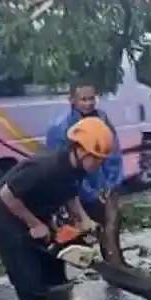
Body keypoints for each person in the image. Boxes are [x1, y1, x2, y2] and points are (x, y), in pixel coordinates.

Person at [0, 116, 114, 300]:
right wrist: (34, 224)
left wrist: (82, 219)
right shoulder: (45, 167)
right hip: (10, 216)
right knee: (28, 274)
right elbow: (7, 194)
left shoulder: (73, 170)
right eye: (95, 158)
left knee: (54, 266)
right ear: (79, 150)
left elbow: (70, 194)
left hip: (40, 212)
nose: (97, 164)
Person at [46, 80, 125, 263]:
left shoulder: (103, 119)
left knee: (112, 225)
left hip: (105, 186)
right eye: (83, 99)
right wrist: (89, 193)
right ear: (72, 100)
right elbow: (62, 169)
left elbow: (114, 153)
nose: (89, 103)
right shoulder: (61, 128)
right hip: (81, 192)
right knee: (86, 232)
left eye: (92, 98)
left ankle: (115, 264)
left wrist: (112, 184)